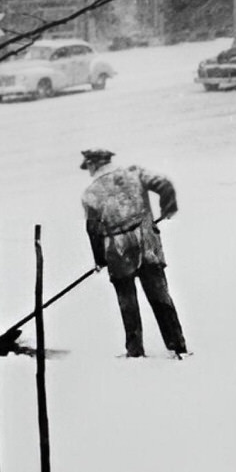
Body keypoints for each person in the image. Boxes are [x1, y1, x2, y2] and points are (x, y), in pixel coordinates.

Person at [79, 149, 191, 359]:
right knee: (160, 296)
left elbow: (93, 230)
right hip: (147, 242)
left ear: (93, 165)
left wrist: (100, 260)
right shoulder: (134, 173)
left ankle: (135, 351)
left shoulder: (90, 194)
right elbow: (164, 185)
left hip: (118, 250)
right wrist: (168, 209)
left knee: (127, 302)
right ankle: (178, 346)